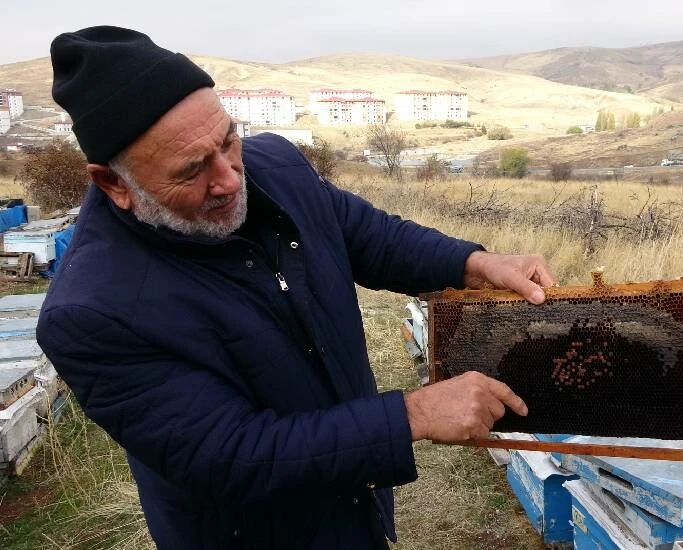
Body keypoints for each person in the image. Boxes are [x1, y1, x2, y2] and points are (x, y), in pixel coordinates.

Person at [37, 26, 556, 549]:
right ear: (113, 184)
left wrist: (472, 263)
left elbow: (367, 236)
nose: (230, 178)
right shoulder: (90, 313)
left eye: (228, 140)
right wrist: (413, 415)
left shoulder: (277, 165)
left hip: (355, 501)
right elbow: (231, 454)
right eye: (192, 169)